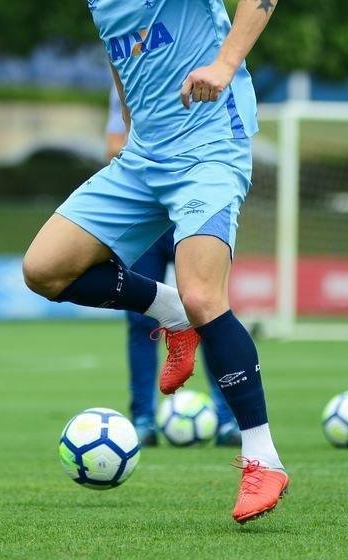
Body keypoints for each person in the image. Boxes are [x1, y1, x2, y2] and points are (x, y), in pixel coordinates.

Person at [21, 0, 288, 523]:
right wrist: (127, 126)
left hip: (208, 145)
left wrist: (224, 65)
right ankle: (165, 311)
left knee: (208, 295)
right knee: (45, 270)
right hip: (146, 155)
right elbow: (123, 55)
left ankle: (262, 459)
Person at [106, 83, 242, 448]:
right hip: (148, 218)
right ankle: (144, 419)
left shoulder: (207, 77)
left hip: (197, 211)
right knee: (139, 319)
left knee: (210, 311)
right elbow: (114, 145)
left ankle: (230, 419)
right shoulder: (132, 74)